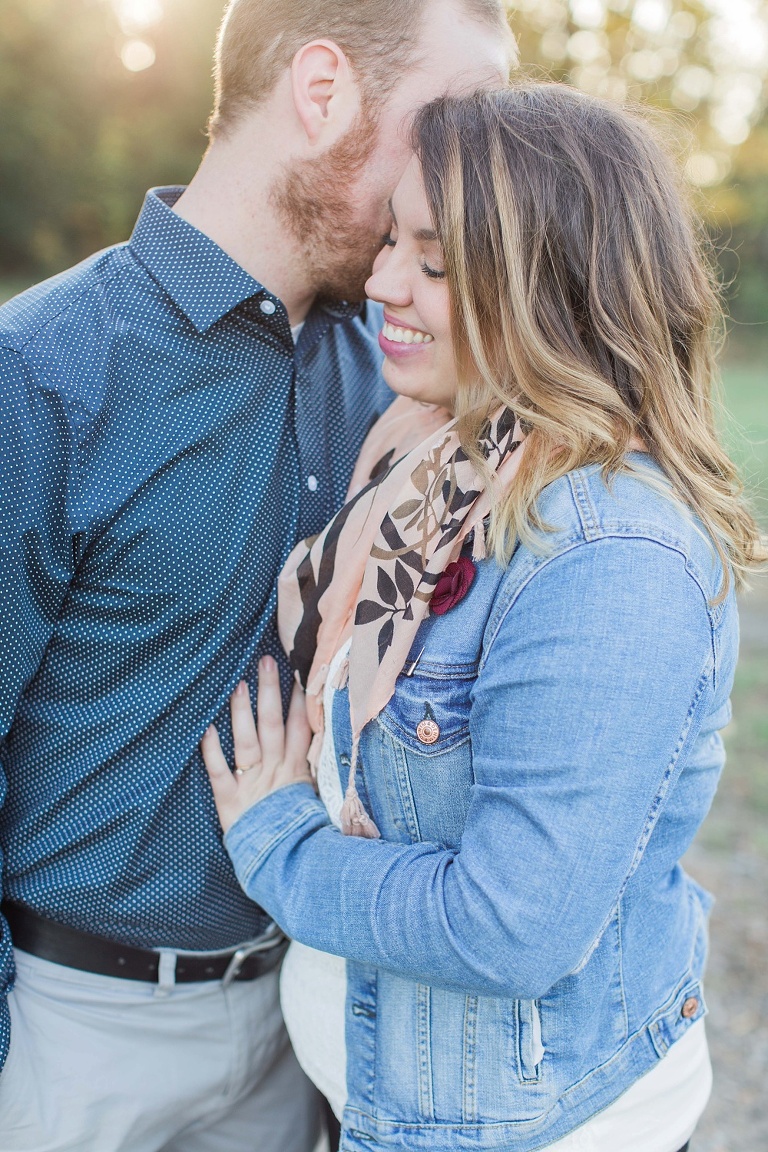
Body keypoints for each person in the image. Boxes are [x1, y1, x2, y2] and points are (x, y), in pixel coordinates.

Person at [202, 82, 766, 1152]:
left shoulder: (609, 558)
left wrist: (278, 843)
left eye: (436, 263)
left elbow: (512, 927)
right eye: (390, 248)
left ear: (552, 287)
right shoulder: (433, 457)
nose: (382, 286)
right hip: (387, 1100)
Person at [0, 1, 512, 1148]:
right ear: (322, 92)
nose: (480, 171)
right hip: (72, 1041)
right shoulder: (38, 377)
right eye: (453, 123)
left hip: (302, 1023)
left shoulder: (408, 371)